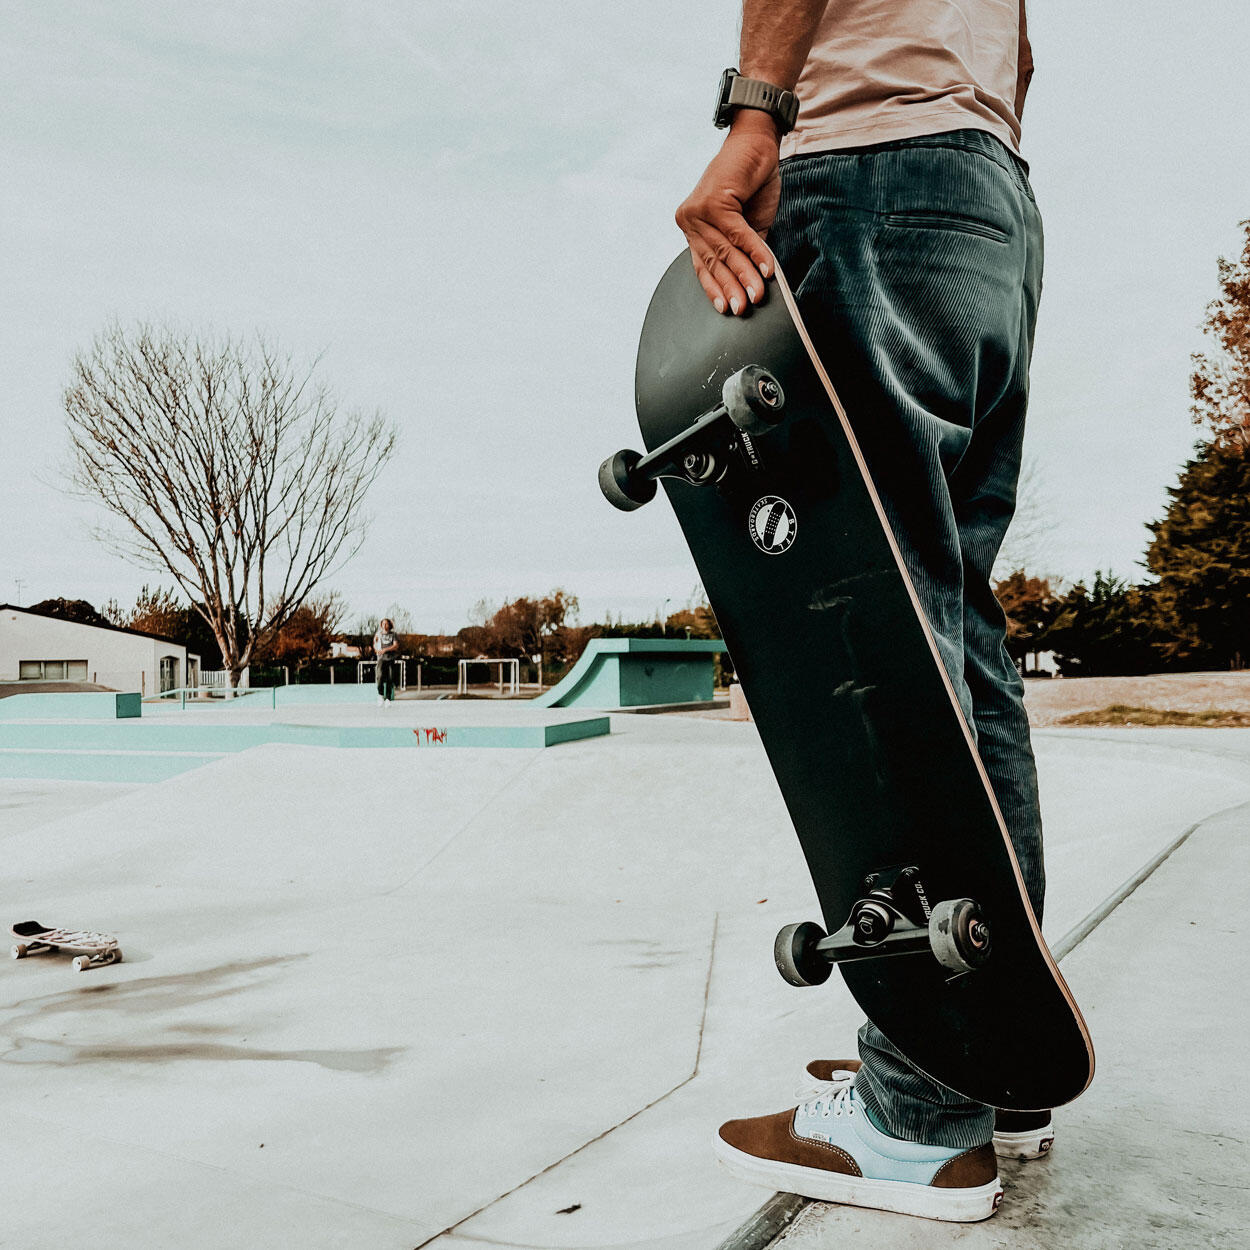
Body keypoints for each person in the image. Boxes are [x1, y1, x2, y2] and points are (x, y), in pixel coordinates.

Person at [677, 0, 1048, 1223]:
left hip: (868, 175)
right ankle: (986, 1052)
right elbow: (1020, 53)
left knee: (869, 631)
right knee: (951, 628)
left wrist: (753, 116)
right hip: (986, 195)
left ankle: (919, 1114)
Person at [373, 618, 400, 706]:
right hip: (381, 659)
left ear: (389, 625)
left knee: (390, 678)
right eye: (383, 624)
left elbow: (395, 646)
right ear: (381, 625)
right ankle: (380, 695)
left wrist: (385, 650)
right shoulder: (378, 634)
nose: (384, 626)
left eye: (386, 624)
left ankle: (388, 698)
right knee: (380, 677)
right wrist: (377, 650)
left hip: (390, 658)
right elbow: (374, 643)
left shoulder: (393, 634)